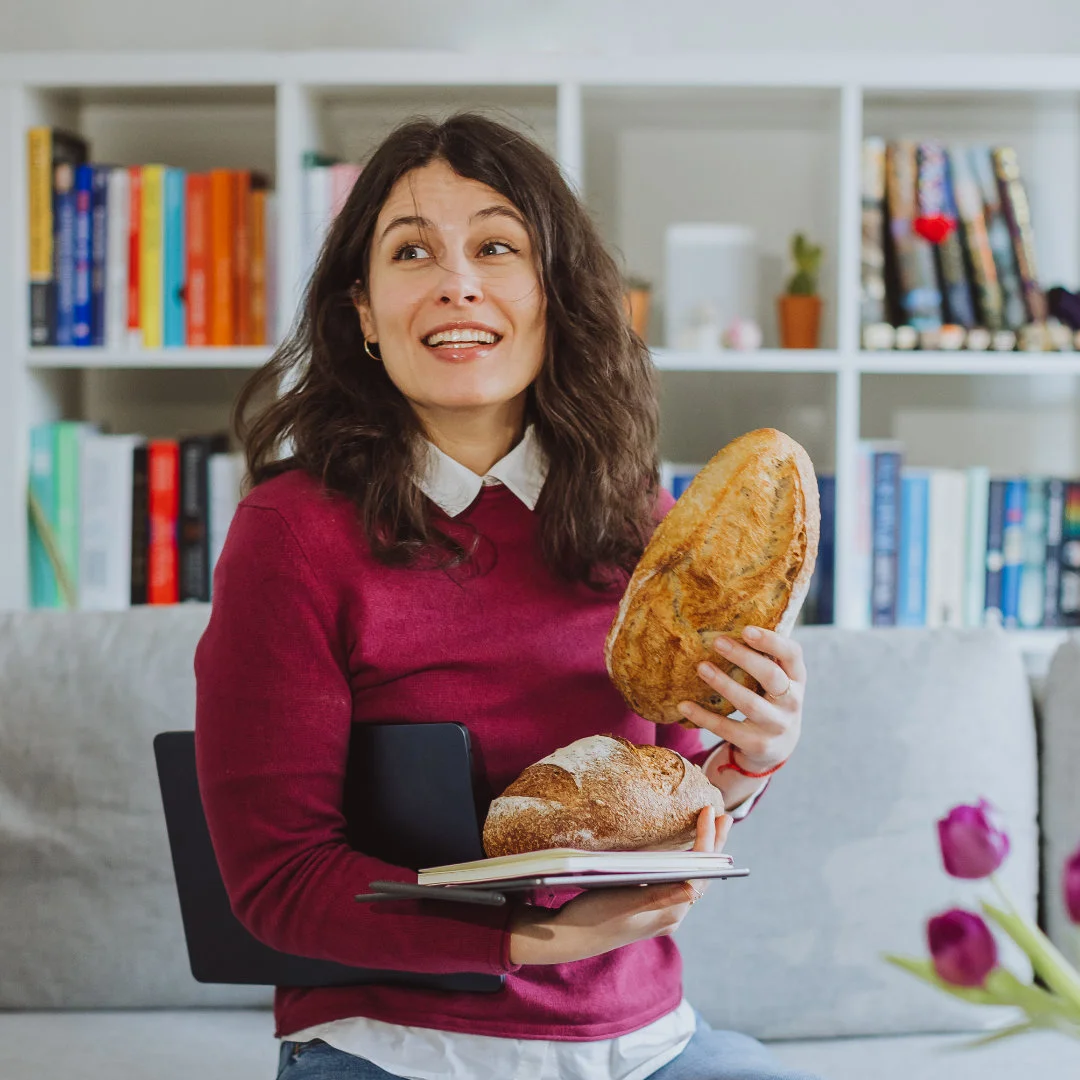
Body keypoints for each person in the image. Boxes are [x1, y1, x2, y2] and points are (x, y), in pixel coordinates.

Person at [194, 111, 822, 1080]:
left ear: (553, 294)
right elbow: (277, 881)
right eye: (412, 252)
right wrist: (525, 941)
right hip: (400, 1048)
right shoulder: (292, 534)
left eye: (497, 247)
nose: (458, 282)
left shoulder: (637, 517)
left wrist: (750, 759)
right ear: (363, 311)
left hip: (644, 1041)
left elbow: (670, 802)